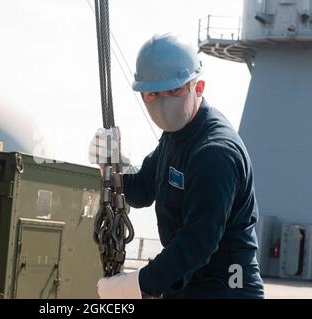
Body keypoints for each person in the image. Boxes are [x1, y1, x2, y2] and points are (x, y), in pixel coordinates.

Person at [89, 33, 265, 299]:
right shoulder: (175, 136)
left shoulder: (215, 153)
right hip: (188, 286)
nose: (163, 102)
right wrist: (112, 168)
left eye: (175, 90)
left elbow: (197, 243)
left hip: (227, 289)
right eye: (153, 94)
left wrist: (138, 284)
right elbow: (141, 190)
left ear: (199, 87)